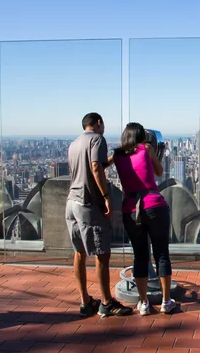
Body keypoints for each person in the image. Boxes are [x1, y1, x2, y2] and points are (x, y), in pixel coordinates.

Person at [66, 112, 133, 318]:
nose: (104, 129)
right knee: (102, 253)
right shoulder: (97, 139)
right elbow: (95, 167)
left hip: (71, 202)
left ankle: (85, 301)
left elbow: (95, 164)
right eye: (103, 125)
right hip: (88, 204)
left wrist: (116, 156)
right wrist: (106, 196)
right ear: (97, 123)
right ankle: (106, 303)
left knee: (79, 253)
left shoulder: (74, 144)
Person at [113, 122, 178, 315]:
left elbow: (103, 162)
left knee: (139, 256)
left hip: (130, 209)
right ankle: (166, 302)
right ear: (142, 137)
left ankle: (143, 303)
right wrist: (152, 153)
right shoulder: (147, 148)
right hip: (154, 205)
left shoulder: (117, 155)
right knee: (161, 255)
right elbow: (158, 172)